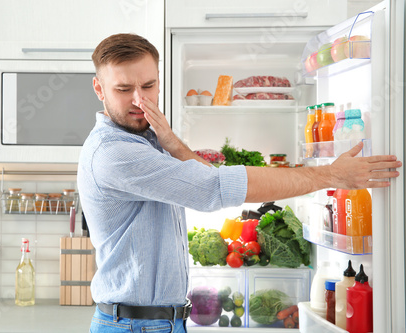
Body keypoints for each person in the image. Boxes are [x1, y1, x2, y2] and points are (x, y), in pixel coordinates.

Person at [77, 33, 401, 333]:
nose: (139, 100)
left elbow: (204, 175)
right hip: (133, 325)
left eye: (148, 85)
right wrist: (330, 175)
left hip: (159, 321)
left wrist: (172, 143)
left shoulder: (147, 138)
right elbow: (213, 187)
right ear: (99, 89)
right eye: (123, 89)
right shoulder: (114, 152)